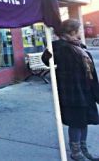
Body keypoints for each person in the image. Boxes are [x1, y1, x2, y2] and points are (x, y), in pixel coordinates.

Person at [42, 19, 99, 161]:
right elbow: (46, 59)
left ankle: (84, 150)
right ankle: (76, 152)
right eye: (78, 29)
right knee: (76, 122)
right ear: (72, 31)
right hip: (72, 92)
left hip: (86, 91)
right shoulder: (60, 47)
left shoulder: (80, 47)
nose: (80, 32)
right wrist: (49, 51)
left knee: (84, 121)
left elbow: (91, 72)